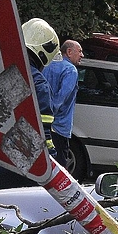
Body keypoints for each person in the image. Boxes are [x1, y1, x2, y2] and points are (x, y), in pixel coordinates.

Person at [0, 18, 59, 193]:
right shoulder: (36, 83)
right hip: (11, 186)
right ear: (45, 54)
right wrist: (54, 172)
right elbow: (43, 138)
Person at [43, 39, 82, 172]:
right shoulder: (71, 70)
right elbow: (61, 99)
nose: (82, 55)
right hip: (59, 127)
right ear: (69, 52)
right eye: (79, 51)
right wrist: (52, 112)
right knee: (58, 168)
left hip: (43, 125)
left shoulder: (47, 66)